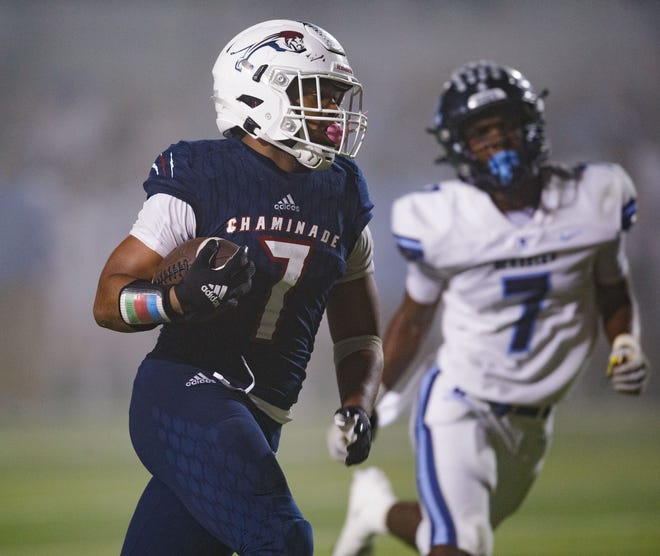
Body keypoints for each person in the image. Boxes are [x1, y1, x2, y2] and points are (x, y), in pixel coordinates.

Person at [331, 60, 650, 556]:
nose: (497, 141)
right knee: (463, 542)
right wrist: (365, 405)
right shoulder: (443, 218)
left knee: (448, 534)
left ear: (532, 126)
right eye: (481, 132)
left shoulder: (595, 198)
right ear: (459, 145)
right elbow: (413, 321)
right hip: (461, 401)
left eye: (506, 126)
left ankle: (373, 509)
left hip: (534, 419)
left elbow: (612, 287)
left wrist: (625, 340)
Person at [93, 19, 383, 556]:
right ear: (259, 90)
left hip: (261, 416)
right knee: (283, 539)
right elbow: (109, 298)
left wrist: (359, 403)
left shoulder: (342, 192)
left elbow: (360, 332)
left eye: (336, 97)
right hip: (182, 393)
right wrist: (172, 300)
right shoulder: (202, 174)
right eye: (315, 92)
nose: (332, 114)